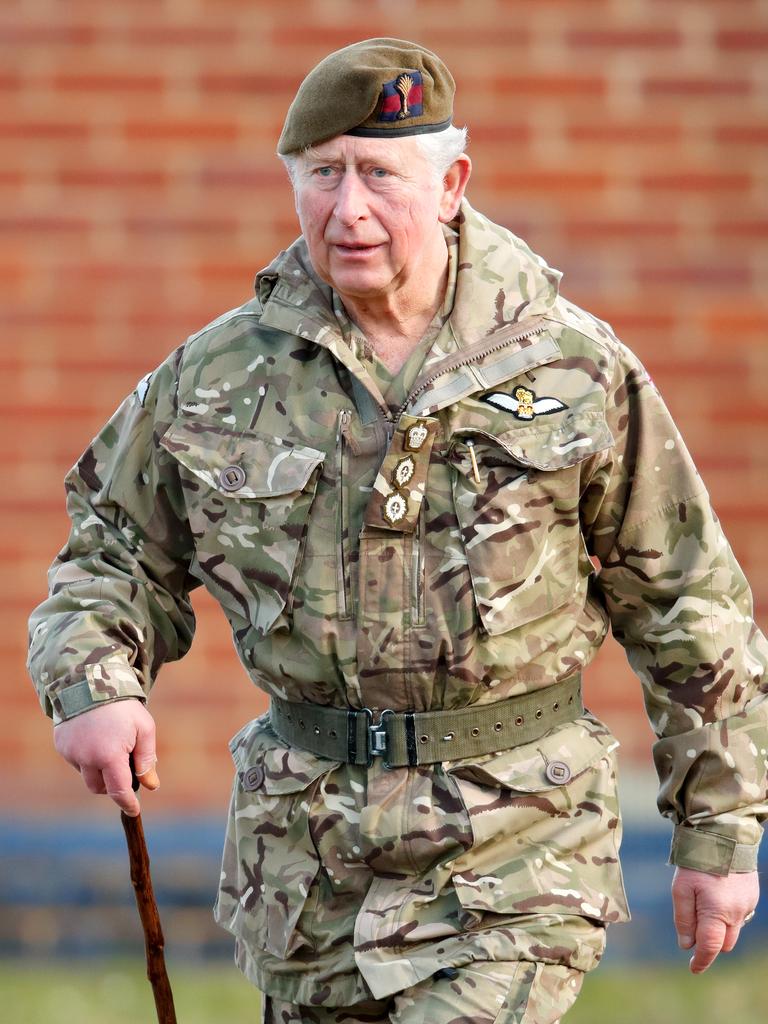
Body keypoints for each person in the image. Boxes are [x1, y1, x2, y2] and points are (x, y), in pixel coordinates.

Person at [28, 37, 767, 1024]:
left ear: (452, 181)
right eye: (322, 175)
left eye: (379, 174)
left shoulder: (570, 369)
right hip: (308, 864)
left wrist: (716, 833)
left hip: (513, 852)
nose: (349, 209)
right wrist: (94, 684)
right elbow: (112, 552)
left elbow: (686, 600)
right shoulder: (215, 378)